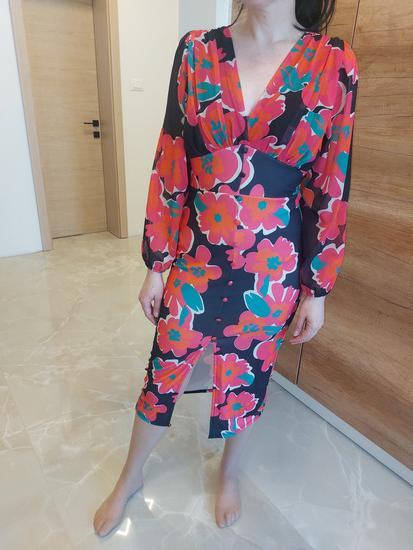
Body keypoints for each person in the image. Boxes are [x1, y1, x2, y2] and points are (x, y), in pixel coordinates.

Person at [94, 0, 358, 535]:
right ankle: (130, 475)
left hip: (272, 267)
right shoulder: (197, 51)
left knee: (248, 377)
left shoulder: (334, 61)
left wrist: (317, 288)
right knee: (164, 368)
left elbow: (332, 181)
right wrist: (156, 263)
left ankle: (230, 475)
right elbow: (171, 158)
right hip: (197, 256)